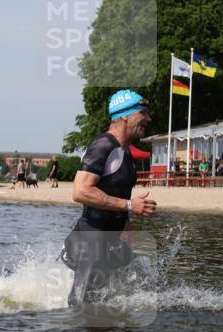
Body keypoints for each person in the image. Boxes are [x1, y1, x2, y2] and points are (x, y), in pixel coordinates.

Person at [65, 89, 156, 306]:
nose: (148, 119)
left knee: (130, 284)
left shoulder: (125, 151)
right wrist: (129, 206)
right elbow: (80, 191)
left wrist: (125, 222)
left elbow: (116, 189)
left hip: (111, 237)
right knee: (81, 303)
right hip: (91, 238)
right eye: (143, 113)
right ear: (125, 115)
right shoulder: (103, 145)